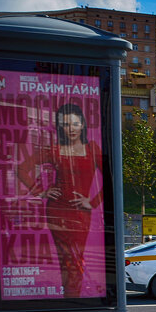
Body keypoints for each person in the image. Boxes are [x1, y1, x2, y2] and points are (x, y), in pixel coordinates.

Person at [18, 102, 103, 298]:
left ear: (82, 124)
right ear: (60, 127)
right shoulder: (54, 149)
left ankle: (73, 298)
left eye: (75, 123)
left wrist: (93, 202)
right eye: (65, 124)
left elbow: (112, 175)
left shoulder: (92, 149)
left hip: (81, 213)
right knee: (66, 258)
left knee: (76, 258)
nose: (71, 128)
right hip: (57, 210)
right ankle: (70, 298)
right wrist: (41, 191)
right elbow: (22, 168)